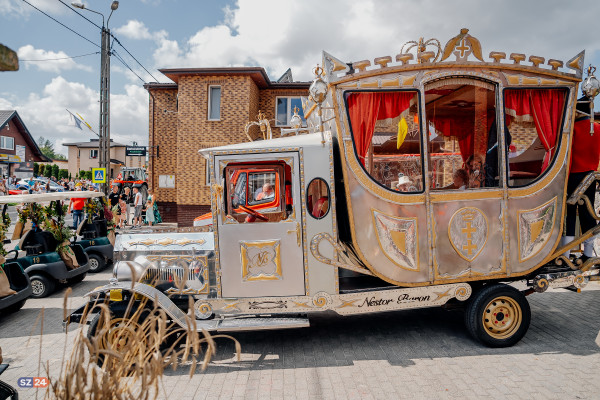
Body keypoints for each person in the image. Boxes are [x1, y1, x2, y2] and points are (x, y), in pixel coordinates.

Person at [562, 96, 600, 261]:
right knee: (588, 215)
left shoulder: (573, 128)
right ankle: (588, 254)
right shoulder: (598, 128)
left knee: (569, 214)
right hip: (591, 177)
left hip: (573, 175)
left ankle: (565, 254)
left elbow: (568, 157)